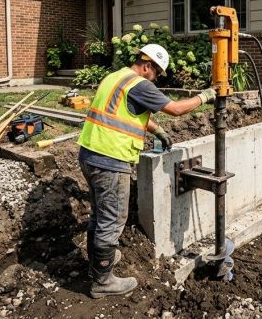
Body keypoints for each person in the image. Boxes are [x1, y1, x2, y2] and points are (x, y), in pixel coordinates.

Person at [77, 43, 216, 298]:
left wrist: (157, 130)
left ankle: (98, 262)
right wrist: (205, 96)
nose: (157, 79)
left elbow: (127, 113)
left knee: (99, 215)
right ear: (148, 65)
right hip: (111, 160)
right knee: (112, 220)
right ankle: (102, 281)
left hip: (89, 154)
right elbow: (175, 109)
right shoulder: (140, 84)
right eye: (157, 73)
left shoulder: (116, 77)